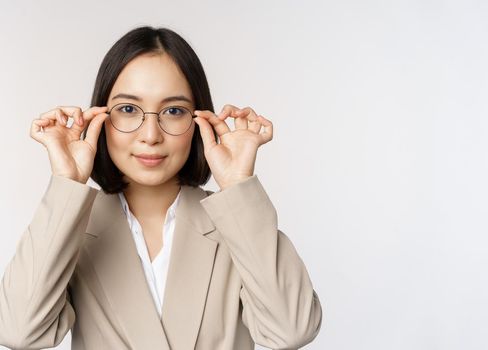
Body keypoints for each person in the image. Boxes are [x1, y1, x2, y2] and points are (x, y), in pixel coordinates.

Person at [0, 26, 322, 349]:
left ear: (199, 120)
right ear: (99, 117)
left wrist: (238, 184)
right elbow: (18, 331)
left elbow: (291, 329)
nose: (151, 135)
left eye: (173, 111)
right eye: (128, 109)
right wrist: (66, 183)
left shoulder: (236, 227)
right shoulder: (73, 229)